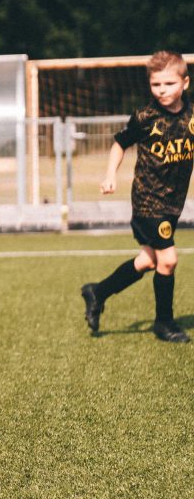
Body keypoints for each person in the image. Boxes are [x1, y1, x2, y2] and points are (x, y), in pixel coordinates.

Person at [82, 50, 192, 343]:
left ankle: (97, 291)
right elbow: (120, 143)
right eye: (156, 85)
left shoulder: (192, 115)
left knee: (147, 261)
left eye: (169, 84)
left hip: (173, 203)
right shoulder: (146, 117)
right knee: (168, 260)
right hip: (148, 200)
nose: (162, 90)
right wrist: (110, 174)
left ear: (185, 83)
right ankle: (164, 323)